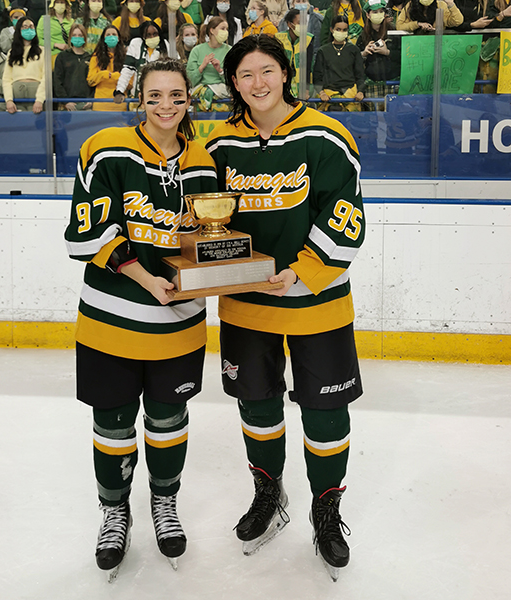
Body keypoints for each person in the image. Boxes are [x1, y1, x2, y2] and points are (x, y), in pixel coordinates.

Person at [205, 33, 364, 582]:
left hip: (316, 300)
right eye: (245, 74)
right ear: (232, 82)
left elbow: (345, 212)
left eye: (267, 71)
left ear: (285, 73)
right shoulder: (220, 143)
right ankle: (268, 496)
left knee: (325, 412)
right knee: (257, 405)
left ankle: (326, 512)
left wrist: (299, 270)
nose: (258, 83)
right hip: (246, 305)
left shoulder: (326, 134)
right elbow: (204, 221)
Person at [64, 57, 217, 579]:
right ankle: (114, 510)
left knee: (167, 422)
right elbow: (85, 235)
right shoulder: (106, 149)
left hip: (180, 322)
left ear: (189, 100)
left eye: (176, 96)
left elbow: (208, 239)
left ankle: (164, 502)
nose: (166, 105)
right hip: (111, 321)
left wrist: (210, 274)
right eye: (155, 96)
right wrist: (147, 278)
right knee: (112, 425)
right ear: (140, 98)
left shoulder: (204, 159)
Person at [313, 16, 365, 111]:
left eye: (344, 30)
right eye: (338, 29)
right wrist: (321, 93)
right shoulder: (323, 51)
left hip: (351, 95)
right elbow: (317, 76)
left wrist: (360, 92)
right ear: (331, 30)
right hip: (328, 97)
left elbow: (360, 75)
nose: (341, 32)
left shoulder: (354, 50)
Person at [357, 0, 400, 103]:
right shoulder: (363, 36)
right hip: (372, 84)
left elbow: (404, 56)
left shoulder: (394, 32)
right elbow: (354, 60)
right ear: (368, 15)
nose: (378, 15)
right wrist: (364, 53)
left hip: (393, 83)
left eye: (381, 11)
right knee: (374, 116)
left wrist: (387, 52)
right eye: (375, 12)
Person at [114, 20, 168, 101]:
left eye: (155, 34)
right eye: (148, 35)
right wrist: (119, 90)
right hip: (138, 97)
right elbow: (127, 70)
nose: (152, 37)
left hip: (161, 96)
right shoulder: (136, 44)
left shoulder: (166, 45)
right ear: (143, 36)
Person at [2, 16, 46, 113]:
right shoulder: (11, 52)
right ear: (18, 30)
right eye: (24, 27)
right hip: (17, 95)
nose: (28, 29)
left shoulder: (43, 51)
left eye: (31, 26)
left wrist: (40, 99)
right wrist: (8, 100)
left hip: (36, 93)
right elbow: (6, 79)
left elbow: (46, 77)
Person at [187, 15, 230, 109]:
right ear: (212, 30)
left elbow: (233, 81)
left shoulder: (229, 51)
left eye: (227, 29)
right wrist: (202, 67)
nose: (226, 32)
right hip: (200, 88)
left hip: (222, 91)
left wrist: (220, 71)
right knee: (205, 92)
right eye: (222, 28)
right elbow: (190, 80)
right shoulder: (196, 51)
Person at [54, 22, 94, 109]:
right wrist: (65, 101)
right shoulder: (62, 56)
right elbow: (57, 81)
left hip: (86, 104)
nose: (77, 37)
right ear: (70, 37)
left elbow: (94, 81)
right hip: (66, 104)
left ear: (85, 37)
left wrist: (91, 100)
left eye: (80, 35)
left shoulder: (91, 58)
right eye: (74, 35)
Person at [275, 8, 313, 98]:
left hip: (301, 85)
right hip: (282, 83)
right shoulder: (278, 39)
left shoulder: (309, 39)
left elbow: (308, 67)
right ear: (289, 24)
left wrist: (306, 90)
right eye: (299, 23)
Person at [87, 25, 127, 109]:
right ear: (104, 39)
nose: (111, 36)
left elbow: (130, 82)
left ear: (119, 38)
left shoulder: (126, 57)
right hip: (100, 105)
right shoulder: (96, 57)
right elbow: (90, 80)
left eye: (114, 34)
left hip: (120, 106)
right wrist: (103, 74)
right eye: (108, 35)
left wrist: (114, 76)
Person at [395, 0, 463, 31]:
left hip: (436, 42)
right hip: (414, 43)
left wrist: (451, 4)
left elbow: (457, 21)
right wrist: (417, 24)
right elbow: (399, 26)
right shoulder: (410, 5)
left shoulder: (441, 5)